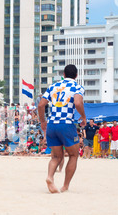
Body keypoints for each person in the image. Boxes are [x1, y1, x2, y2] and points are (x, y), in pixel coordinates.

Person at [37, 64, 86, 194]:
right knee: (73, 155)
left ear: (63, 74)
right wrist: (83, 117)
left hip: (52, 124)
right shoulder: (77, 87)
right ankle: (65, 186)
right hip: (66, 123)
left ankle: (50, 177)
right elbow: (77, 103)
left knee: (56, 157)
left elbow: (41, 105)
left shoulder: (53, 86)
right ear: (76, 76)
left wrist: (42, 121)